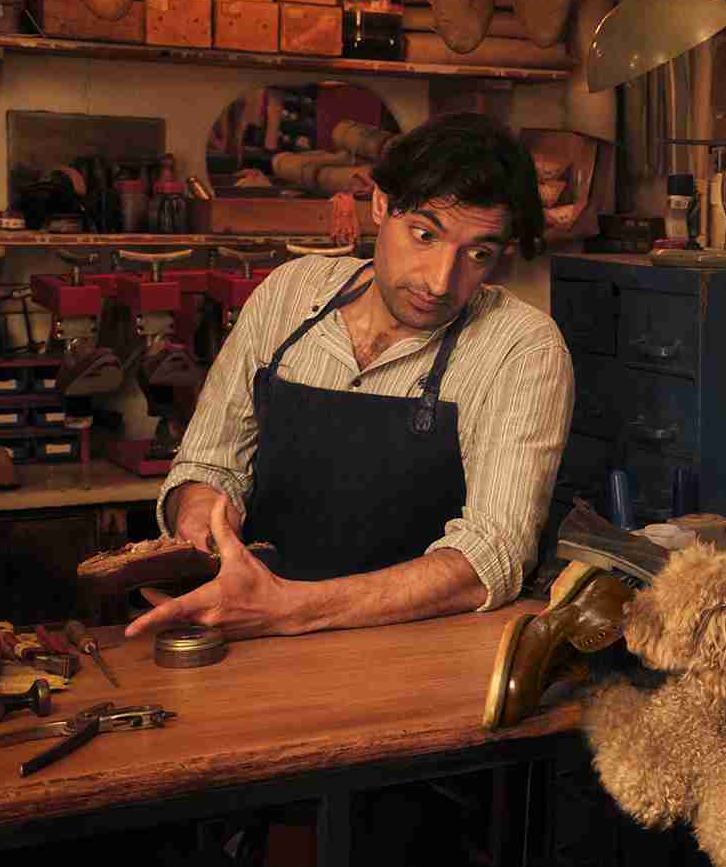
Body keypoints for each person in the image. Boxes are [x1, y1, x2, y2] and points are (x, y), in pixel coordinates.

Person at [128, 111, 572, 642]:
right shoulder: (291, 293)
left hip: (418, 656)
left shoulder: (521, 347)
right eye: (424, 235)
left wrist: (292, 608)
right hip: (251, 633)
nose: (440, 280)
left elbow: (490, 556)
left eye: (478, 254)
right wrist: (203, 522)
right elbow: (208, 462)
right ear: (381, 204)